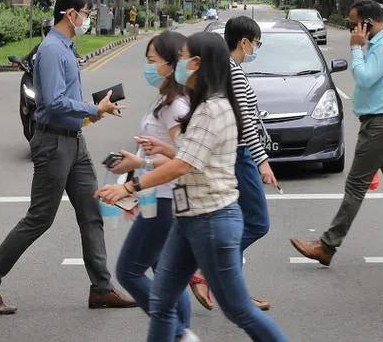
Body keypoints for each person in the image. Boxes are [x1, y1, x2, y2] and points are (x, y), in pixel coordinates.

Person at [99, 33, 289, 342]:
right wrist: (158, 153)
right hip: (189, 219)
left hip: (212, 220)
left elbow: (184, 165)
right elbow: (191, 157)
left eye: (183, 57)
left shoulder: (211, 110)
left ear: (197, 63)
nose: (179, 64)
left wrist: (130, 188)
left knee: (238, 309)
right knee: (161, 303)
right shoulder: (204, 106)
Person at [0, 0, 135, 314]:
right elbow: (54, 103)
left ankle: (101, 288)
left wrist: (97, 109)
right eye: (86, 14)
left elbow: (68, 98)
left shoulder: (66, 48)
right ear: (70, 14)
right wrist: (92, 108)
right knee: (39, 218)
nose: (88, 19)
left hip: (75, 141)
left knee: (91, 214)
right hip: (53, 142)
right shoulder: (50, 51)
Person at [290, 0, 383, 267]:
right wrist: (361, 45)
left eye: (354, 24)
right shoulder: (380, 44)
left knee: (356, 186)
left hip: (381, 125)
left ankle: (326, 246)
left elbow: (365, 78)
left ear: (368, 23)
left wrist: (356, 48)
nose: (352, 30)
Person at [107, 32, 198, 342]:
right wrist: (137, 162)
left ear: (171, 65)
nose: (147, 67)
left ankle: (178, 332)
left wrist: (141, 166)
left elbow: (185, 156)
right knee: (167, 276)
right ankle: (181, 333)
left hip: (164, 200)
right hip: (155, 197)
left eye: (152, 61)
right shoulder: (165, 98)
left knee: (128, 272)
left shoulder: (176, 106)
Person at [187, 16, 274, 311]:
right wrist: (262, 161)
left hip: (236, 154)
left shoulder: (230, 68)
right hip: (240, 155)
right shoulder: (233, 71)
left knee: (237, 225)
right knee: (258, 222)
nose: (256, 48)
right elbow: (244, 121)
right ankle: (207, 271)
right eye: (256, 43)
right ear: (244, 42)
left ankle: (233, 294)